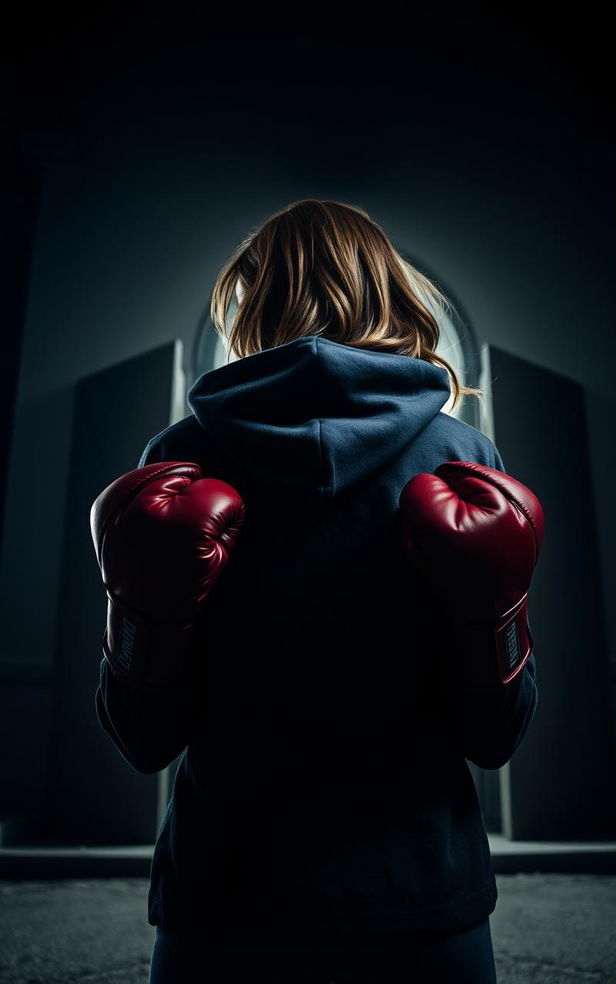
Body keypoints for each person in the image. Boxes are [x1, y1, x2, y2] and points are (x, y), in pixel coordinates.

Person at [92, 199, 543, 983]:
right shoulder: (463, 454)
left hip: (224, 898)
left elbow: (144, 738)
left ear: (255, 298)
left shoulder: (182, 455)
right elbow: (495, 736)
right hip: (422, 897)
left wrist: (141, 622)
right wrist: (492, 622)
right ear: (390, 292)